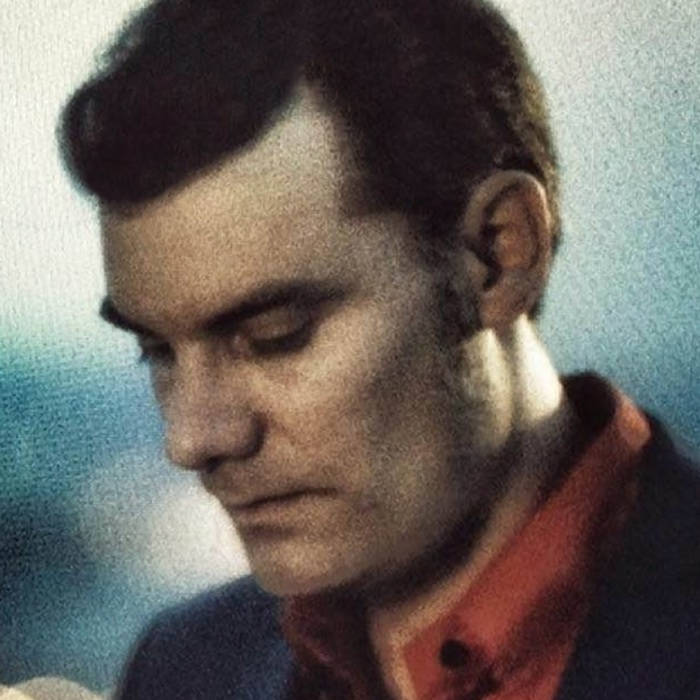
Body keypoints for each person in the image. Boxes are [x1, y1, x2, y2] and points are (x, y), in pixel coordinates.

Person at [58, 0, 700, 697]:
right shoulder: (181, 669)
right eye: (157, 350)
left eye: (277, 337)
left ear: (499, 254)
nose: (192, 440)